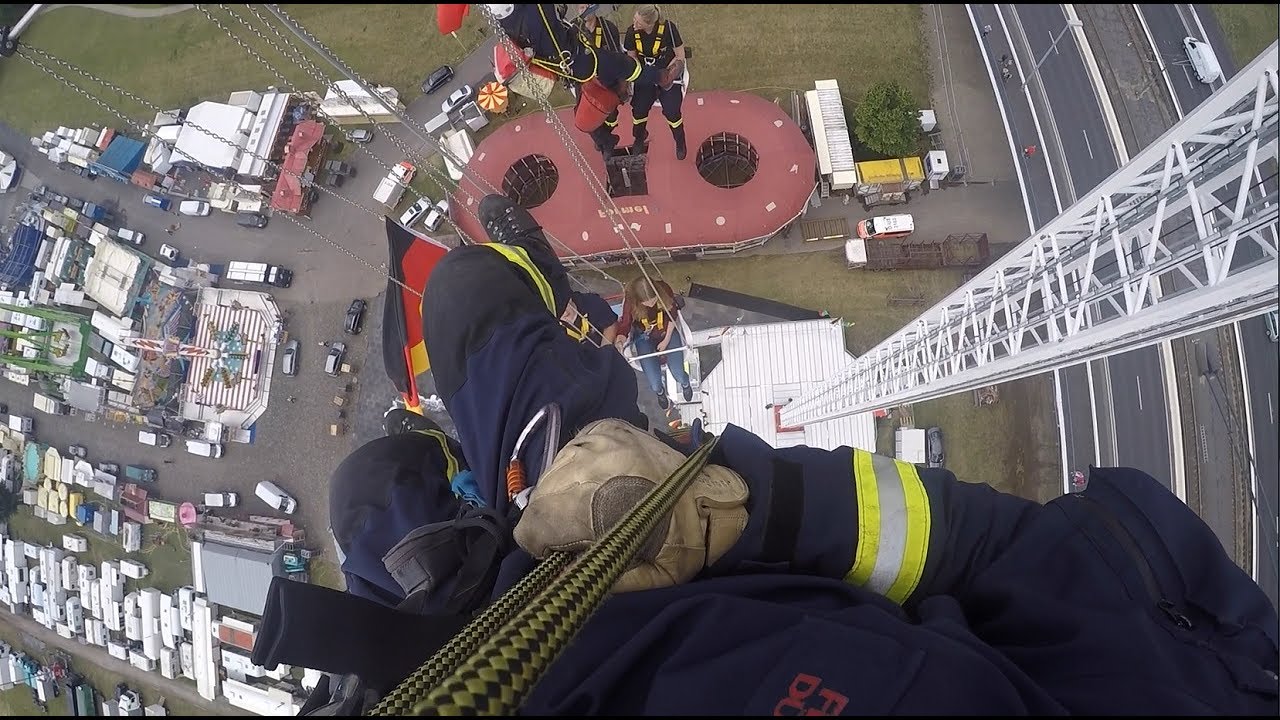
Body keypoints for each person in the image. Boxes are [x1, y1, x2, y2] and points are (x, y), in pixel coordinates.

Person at [254, 194, 1277, 716]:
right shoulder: (1165, 688)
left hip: (509, 628)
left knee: (412, 431)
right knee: (469, 323)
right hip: (562, 603)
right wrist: (763, 507)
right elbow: (1041, 574)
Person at [615, 275, 692, 408]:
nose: (651, 304)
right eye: (646, 302)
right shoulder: (631, 302)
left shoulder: (663, 290)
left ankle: (685, 384)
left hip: (666, 330)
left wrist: (666, 340)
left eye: (653, 300)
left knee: (679, 373)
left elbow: (673, 315)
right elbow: (625, 324)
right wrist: (620, 341)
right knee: (655, 383)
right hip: (644, 337)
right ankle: (660, 392)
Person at [625, 4, 689, 159]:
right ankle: (639, 137)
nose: (635, 24)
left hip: (666, 72)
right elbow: (631, 57)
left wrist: (667, 73)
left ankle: (680, 142)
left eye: (638, 23)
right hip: (645, 74)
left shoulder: (668, 29)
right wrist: (641, 73)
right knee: (639, 109)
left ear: (649, 23)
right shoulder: (631, 33)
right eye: (635, 19)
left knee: (672, 111)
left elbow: (680, 56)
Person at [578, 4, 625, 157]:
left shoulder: (608, 29)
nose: (583, 10)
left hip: (607, 82)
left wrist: (622, 84)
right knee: (582, 118)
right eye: (580, 7)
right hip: (586, 83)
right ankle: (606, 141)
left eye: (586, 6)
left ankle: (605, 138)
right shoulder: (574, 30)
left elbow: (617, 57)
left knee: (610, 115)